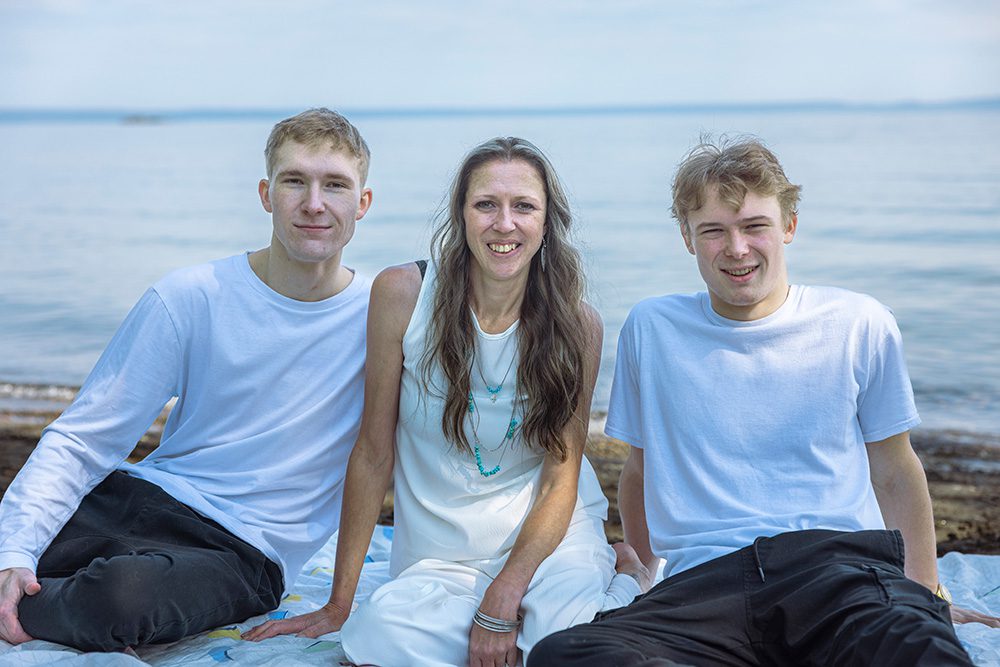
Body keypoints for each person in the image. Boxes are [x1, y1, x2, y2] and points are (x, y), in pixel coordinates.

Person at [530, 137, 994, 666]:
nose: (737, 248)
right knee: (566, 654)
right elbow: (640, 468)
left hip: (837, 573)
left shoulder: (858, 323)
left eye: (755, 226)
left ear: (788, 226)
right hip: (704, 587)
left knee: (922, 654)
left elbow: (893, 469)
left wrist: (926, 592)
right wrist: (643, 570)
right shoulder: (652, 328)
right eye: (713, 231)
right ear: (687, 237)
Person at [244, 137, 650, 666]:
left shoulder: (578, 325)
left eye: (523, 206)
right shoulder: (403, 294)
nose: (504, 224)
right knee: (377, 637)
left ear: (547, 223)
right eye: (485, 205)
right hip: (442, 552)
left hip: (548, 540)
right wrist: (339, 604)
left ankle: (628, 581)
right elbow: (372, 451)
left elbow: (561, 479)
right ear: (461, 216)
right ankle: (541, 614)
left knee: (561, 646)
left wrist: (506, 592)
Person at [0, 108, 374, 652]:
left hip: (243, 552)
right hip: (137, 497)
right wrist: (13, 554)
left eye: (335, 185)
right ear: (267, 194)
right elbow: (85, 437)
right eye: (296, 181)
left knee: (120, 599)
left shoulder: (384, 320)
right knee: (17, 545)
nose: (314, 203)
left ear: (362, 204)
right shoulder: (190, 296)